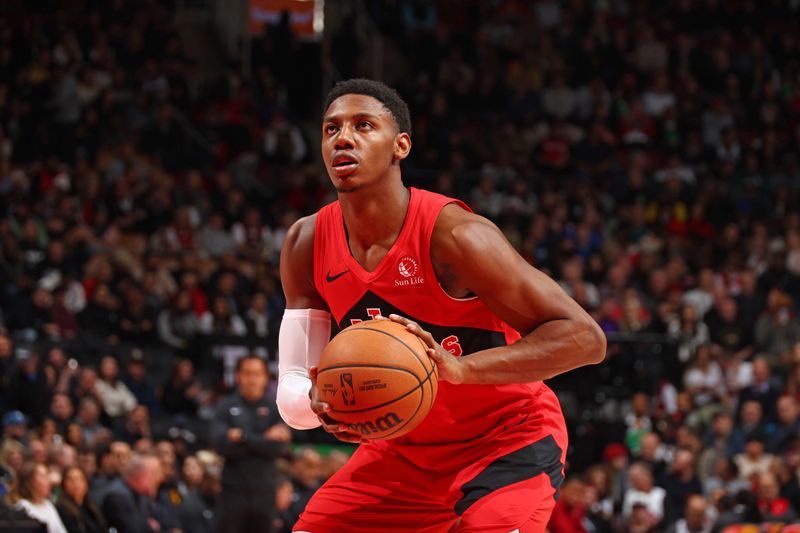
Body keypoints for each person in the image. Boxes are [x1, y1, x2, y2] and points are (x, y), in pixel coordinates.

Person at [277, 79, 606, 531]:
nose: (344, 138)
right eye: (331, 129)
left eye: (364, 125)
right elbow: (294, 382)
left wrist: (462, 369)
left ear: (401, 146)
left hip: (505, 442)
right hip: (401, 450)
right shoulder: (306, 242)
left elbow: (585, 339)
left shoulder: (457, 237)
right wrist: (321, 403)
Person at [211, 354, 291, 533]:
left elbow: (278, 448)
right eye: (246, 373)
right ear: (238, 376)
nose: (251, 379)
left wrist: (242, 437)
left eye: (256, 374)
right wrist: (264, 439)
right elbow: (220, 444)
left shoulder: (274, 408)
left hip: (265, 491)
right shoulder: (225, 406)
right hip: (233, 491)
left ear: (265, 378)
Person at [100, 453, 164, 533]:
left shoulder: (140, 495)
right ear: (141, 475)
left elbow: (156, 523)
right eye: (154, 474)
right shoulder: (118, 497)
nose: (160, 478)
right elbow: (133, 529)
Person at [12, 461, 68, 533]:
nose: (49, 480)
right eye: (43, 476)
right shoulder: (23, 507)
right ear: (28, 481)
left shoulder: (47, 504)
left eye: (47, 475)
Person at [55, 466, 107, 533]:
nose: (75, 483)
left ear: (86, 483)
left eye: (79, 479)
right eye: (70, 479)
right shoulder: (62, 508)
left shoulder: (91, 506)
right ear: (63, 484)